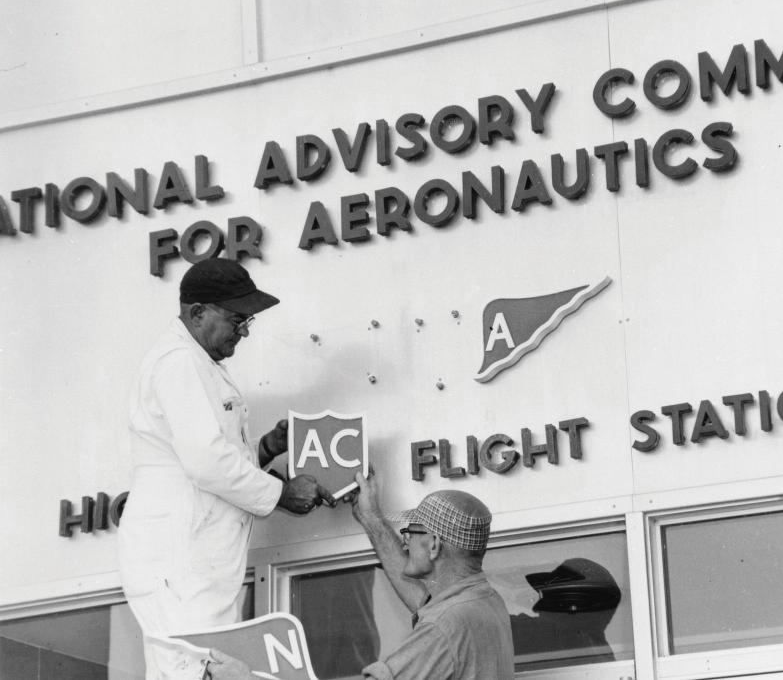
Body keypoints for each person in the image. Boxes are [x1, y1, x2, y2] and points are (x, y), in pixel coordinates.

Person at [117, 257, 336, 680]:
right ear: (197, 313)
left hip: (195, 559)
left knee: (207, 666)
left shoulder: (196, 362)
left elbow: (205, 456)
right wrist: (281, 495)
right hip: (181, 560)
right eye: (237, 320)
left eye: (247, 322)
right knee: (193, 669)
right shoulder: (178, 361)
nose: (243, 332)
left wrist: (265, 449)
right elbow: (206, 463)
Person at [344, 470, 515, 680]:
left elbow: (440, 623)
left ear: (433, 545)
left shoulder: (443, 627)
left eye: (411, 533)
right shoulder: (484, 600)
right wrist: (370, 518)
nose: (405, 541)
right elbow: (426, 603)